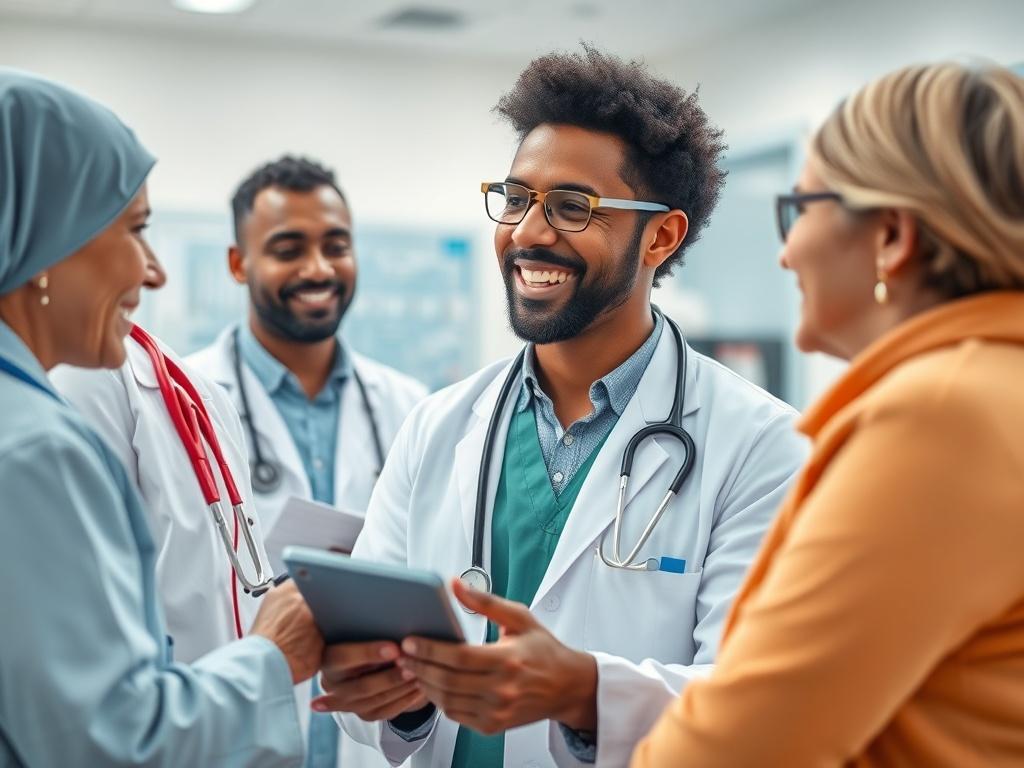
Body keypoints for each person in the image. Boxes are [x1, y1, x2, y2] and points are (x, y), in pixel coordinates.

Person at [320, 46, 808, 768]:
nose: (527, 233)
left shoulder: (763, 447)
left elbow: (758, 710)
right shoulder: (437, 426)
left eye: (572, 207)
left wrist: (584, 694)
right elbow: (371, 709)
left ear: (662, 236)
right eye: (516, 199)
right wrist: (395, 694)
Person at [631, 62, 1024, 767]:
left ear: (891, 238)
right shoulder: (997, 390)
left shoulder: (938, 419)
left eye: (800, 210)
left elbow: (735, 750)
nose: (786, 254)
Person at [0, 68, 324, 766]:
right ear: (51, 236)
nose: (154, 271)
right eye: (135, 229)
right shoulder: (29, 451)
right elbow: (103, 742)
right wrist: (272, 658)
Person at [188, 155, 426, 768]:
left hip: (373, 739)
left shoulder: (411, 407)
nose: (318, 268)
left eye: (336, 245)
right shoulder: (181, 404)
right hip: (231, 736)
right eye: (288, 248)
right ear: (239, 264)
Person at [50, 241, 271, 663]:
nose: (154, 269)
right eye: (130, 231)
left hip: (211, 713)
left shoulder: (192, 388)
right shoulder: (78, 380)